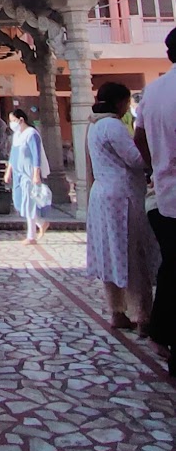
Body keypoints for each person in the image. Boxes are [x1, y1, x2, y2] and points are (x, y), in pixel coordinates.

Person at [86, 81, 155, 334]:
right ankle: (143, 315)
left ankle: (117, 311)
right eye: (126, 102)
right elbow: (136, 159)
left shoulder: (93, 125)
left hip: (102, 196)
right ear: (119, 102)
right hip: (121, 197)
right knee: (133, 255)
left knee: (111, 254)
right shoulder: (113, 126)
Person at [135, 30, 176, 373]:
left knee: (172, 267)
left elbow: (139, 138)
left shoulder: (154, 91)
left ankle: (162, 333)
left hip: (164, 196)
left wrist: (155, 169)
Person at [3, 108, 50, 243]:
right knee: (19, 202)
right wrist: (9, 171)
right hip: (18, 172)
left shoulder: (31, 134)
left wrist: (36, 174)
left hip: (29, 172)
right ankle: (41, 223)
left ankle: (31, 235)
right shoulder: (17, 135)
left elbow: (36, 155)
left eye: (13, 120)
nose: (11, 124)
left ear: (21, 120)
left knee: (29, 203)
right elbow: (13, 155)